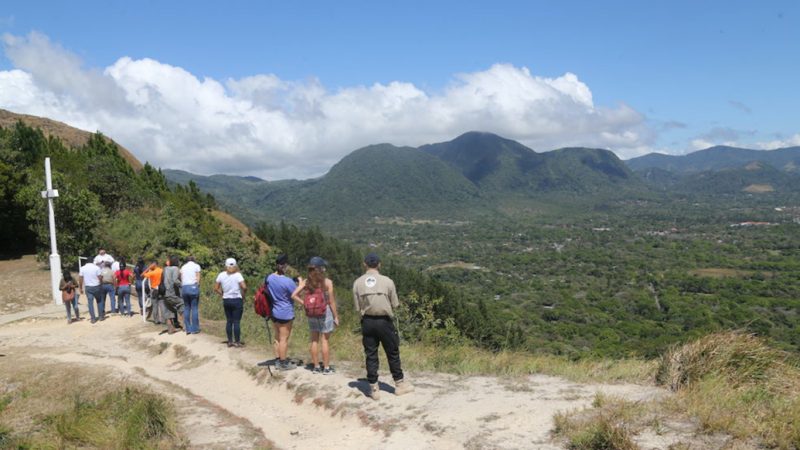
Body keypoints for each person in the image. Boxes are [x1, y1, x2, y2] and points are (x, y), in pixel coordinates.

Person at [353, 252, 413, 399]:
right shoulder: (388, 281)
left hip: (367, 321)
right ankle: (399, 384)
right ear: (379, 264)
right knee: (392, 352)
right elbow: (395, 304)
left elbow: (357, 307)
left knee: (371, 354)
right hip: (384, 321)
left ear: (364, 264)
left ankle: (374, 388)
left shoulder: (358, 283)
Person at [292, 256, 339, 375]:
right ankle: (327, 368)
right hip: (324, 312)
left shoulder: (306, 282)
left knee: (314, 340)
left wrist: (305, 304)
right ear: (320, 269)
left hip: (311, 313)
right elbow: (332, 301)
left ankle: (316, 366)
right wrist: (335, 316)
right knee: (325, 340)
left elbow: (293, 295)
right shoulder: (327, 282)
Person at [267, 254, 298, 370]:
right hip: (285, 312)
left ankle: (277, 359)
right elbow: (295, 293)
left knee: (277, 337)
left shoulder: (269, 278)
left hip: (274, 311)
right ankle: (283, 363)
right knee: (284, 338)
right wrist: (300, 284)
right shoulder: (288, 281)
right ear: (285, 266)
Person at [215, 258, 246, 348]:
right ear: (235, 265)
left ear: (226, 265)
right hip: (237, 300)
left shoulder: (221, 275)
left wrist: (223, 294)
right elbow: (244, 287)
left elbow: (216, 288)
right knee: (236, 322)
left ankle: (229, 341)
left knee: (229, 321)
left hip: (226, 300)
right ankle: (237, 342)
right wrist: (243, 296)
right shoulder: (238, 275)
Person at [180, 255, 202, 334]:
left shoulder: (183, 267)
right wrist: (197, 285)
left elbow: (182, 278)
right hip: (193, 287)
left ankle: (187, 328)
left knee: (187, 308)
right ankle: (195, 329)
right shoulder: (196, 266)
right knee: (194, 308)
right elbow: (198, 277)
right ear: (193, 260)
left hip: (184, 288)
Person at [162, 255, 183, 334]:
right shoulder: (176, 269)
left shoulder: (165, 269)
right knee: (182, 305)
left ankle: (170, 329)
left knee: (168, 309)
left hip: (165, 292)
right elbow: (175, 280)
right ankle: (186, 326)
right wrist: (182, 285)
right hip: (172, 292)